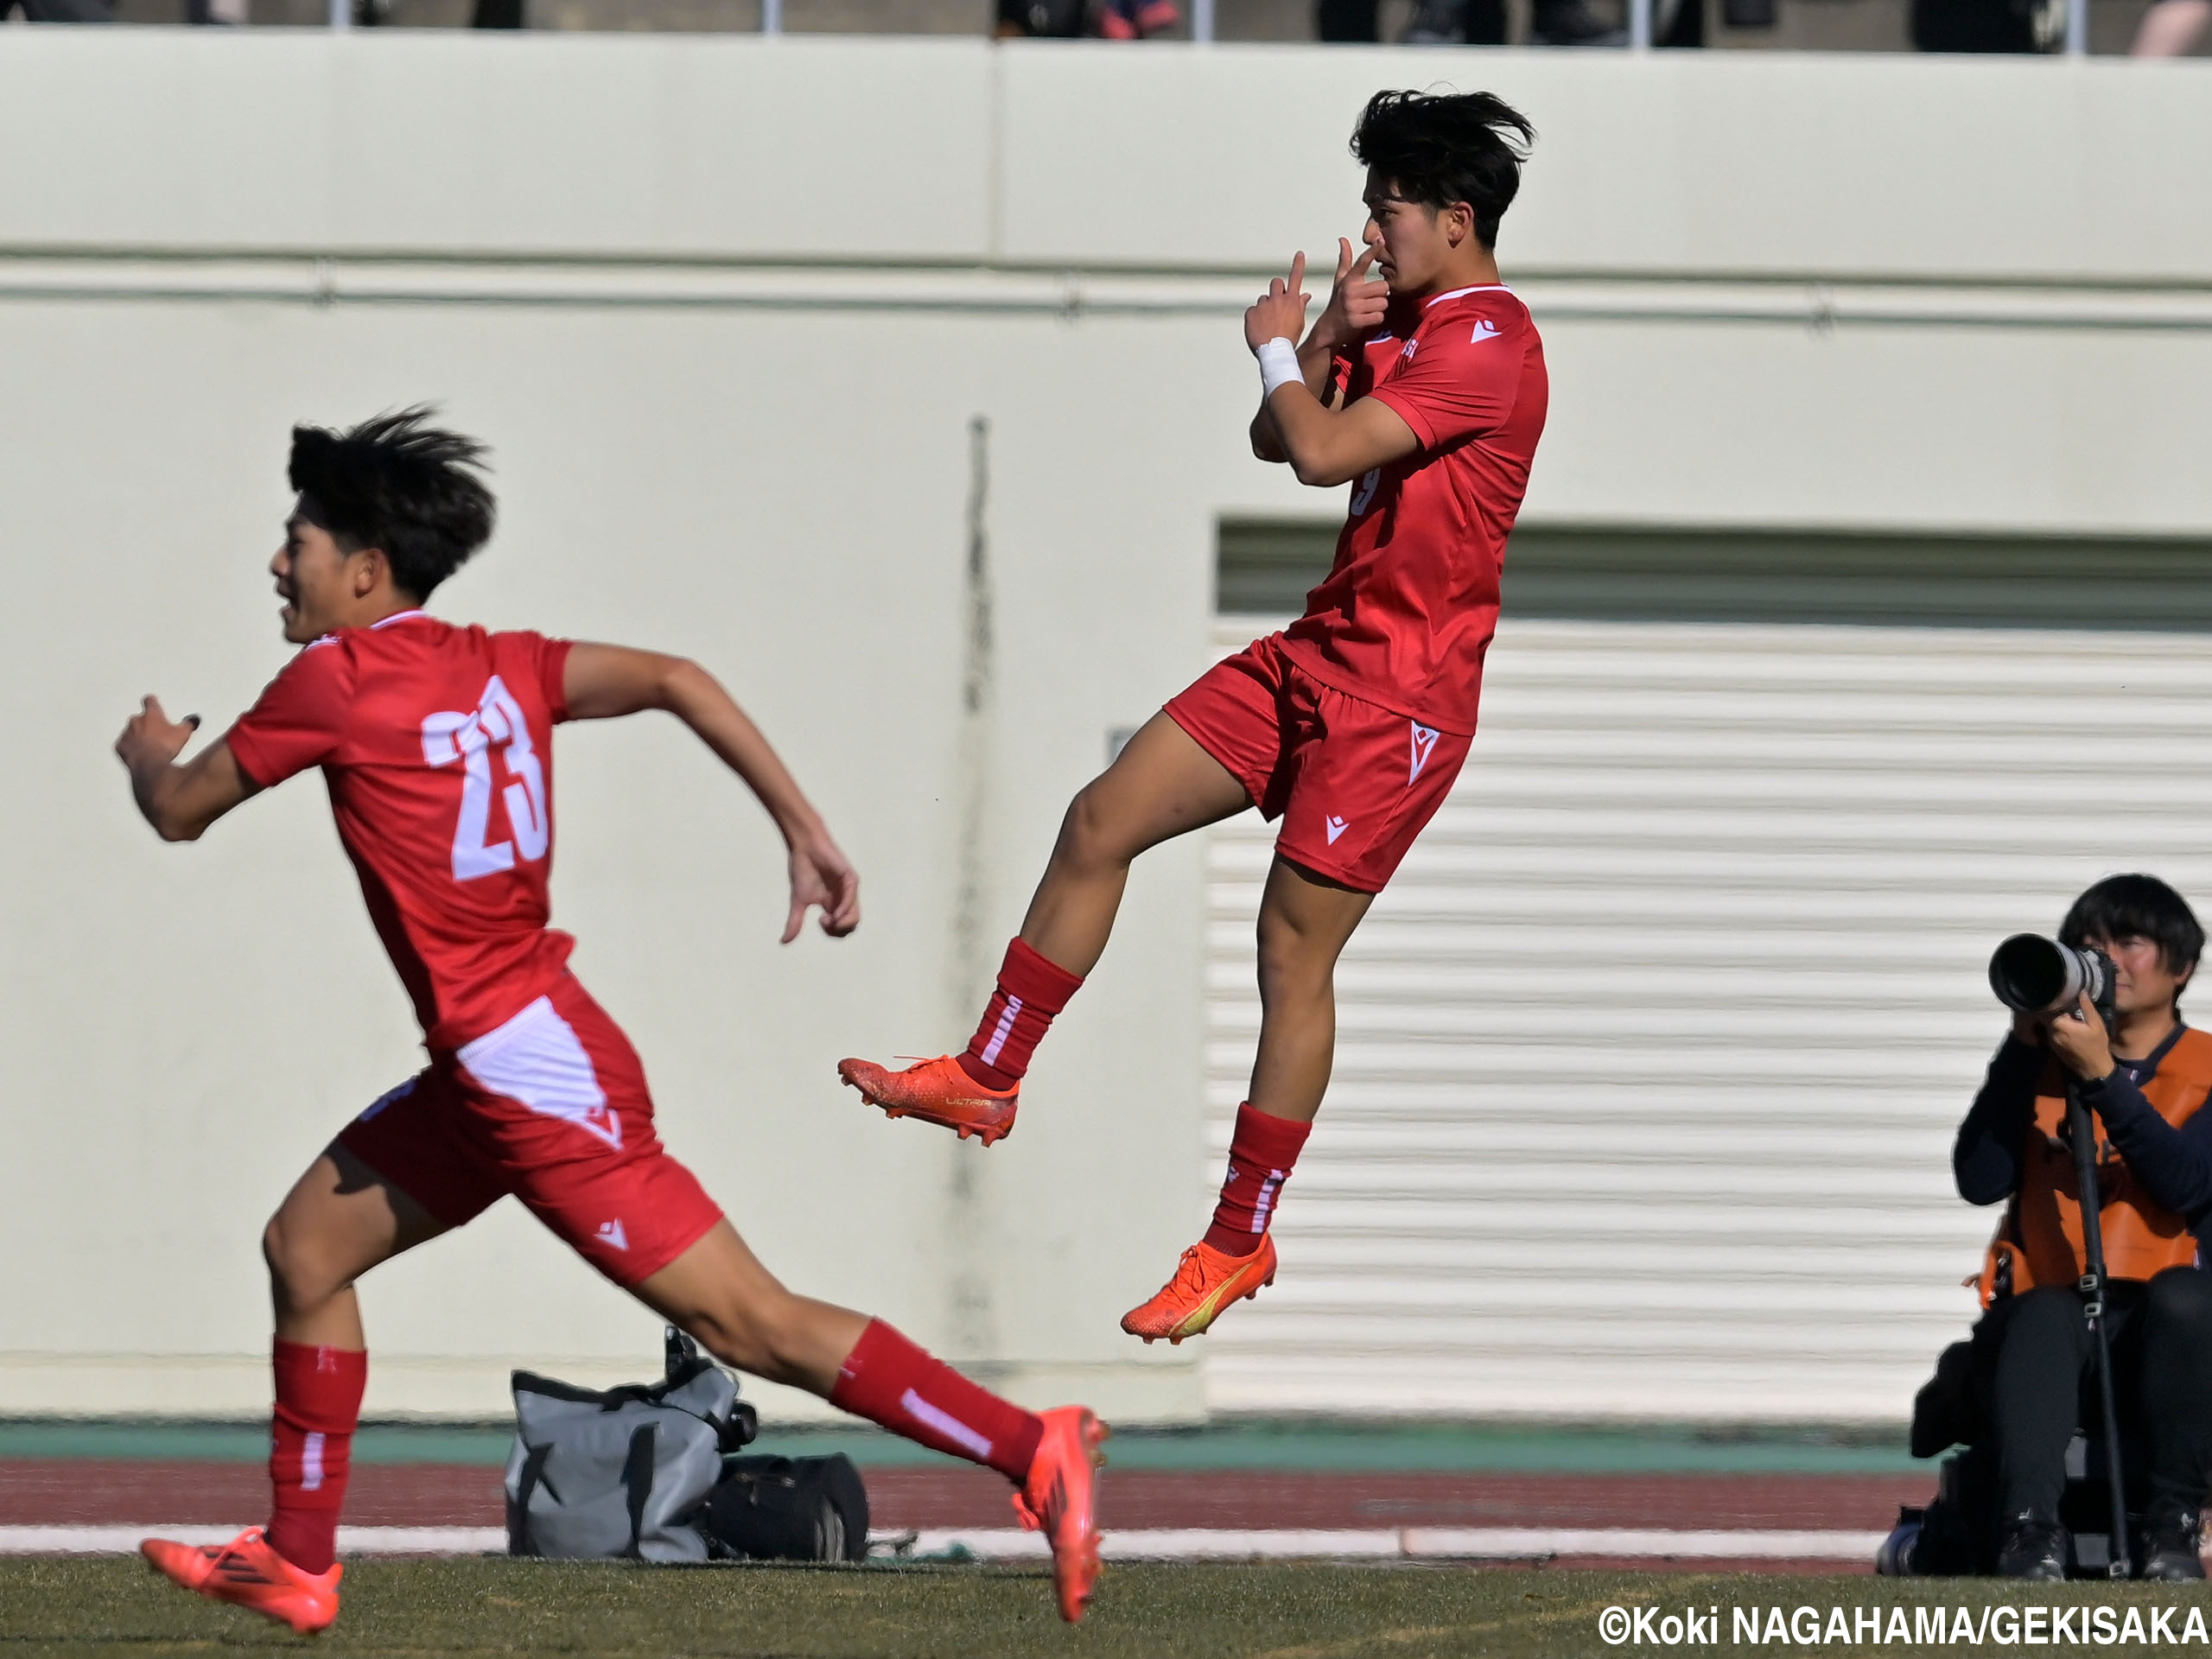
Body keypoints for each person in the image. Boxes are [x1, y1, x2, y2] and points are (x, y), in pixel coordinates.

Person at [116, 411, 1104, 1633]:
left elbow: (177, 811)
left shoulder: (335, 681)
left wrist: (148, 754)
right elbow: (678, 679)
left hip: (529, 1070)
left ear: (365, 571)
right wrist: (801, 827)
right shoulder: (502, 661)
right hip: (502, 1059)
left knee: (747, 1319)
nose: (280, 565)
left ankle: (1030, 1444)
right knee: (308, 1251)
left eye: (297, 542)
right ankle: (299, 1559)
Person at [839, 90, 1548, 1347]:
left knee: (1291, 954)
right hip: (1317, 655)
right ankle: (989, 1077)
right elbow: (1282, 444)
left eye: (1390, 210)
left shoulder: (1489, 341)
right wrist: (1328, 330)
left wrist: (1277, 348)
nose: (1374, 231)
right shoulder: (1416, 317)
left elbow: (1320, 452)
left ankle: (1236, 1238)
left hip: (1399, 704)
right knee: (1102, 816)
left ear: (1457, 215)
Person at [1955, 874, 2212, 1580]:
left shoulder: (2209, 1070)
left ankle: (2174, 1529)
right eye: (2088, 946)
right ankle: (2030, 1532)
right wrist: (2019, 1051)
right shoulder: (2035, 1067)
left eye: (2129, 943)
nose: (2108, 961)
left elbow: (2190, 1183)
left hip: (2172, 1340)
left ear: (2181, 966)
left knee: (2189, 1302)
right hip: (2057, 1331)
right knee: (2040, 1310)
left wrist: (2103, 1082)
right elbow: (1978, 1181)